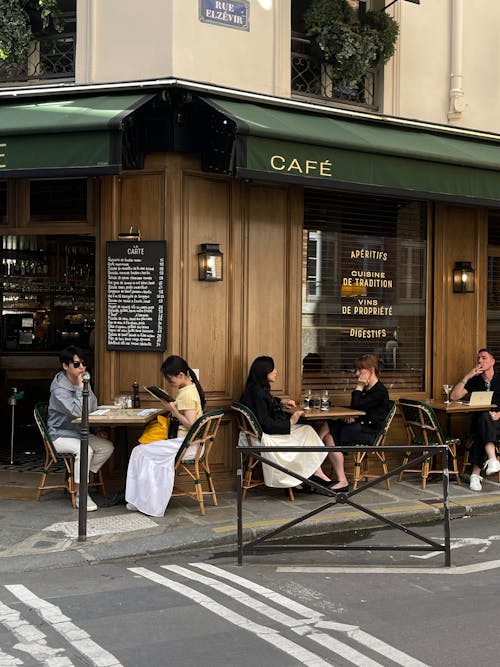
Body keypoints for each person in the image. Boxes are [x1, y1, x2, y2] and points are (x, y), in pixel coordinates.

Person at [125, 355, 204, 516]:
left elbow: (192, 424)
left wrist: (173, 410)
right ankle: (142, 499)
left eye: (170, 380)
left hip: (186, 444)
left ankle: (143, 501)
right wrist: (167, 402)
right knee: (141, 451)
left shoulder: (187, 394)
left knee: (139, 451)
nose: (169, 383)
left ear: (181, 375)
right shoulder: (188, 388)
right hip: (187, 442)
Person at [240, 356, 331, 492]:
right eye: (273, 369)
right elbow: (266, 423)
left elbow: (267, 401)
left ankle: (308, 476)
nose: (276, 371)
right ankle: (308, 476)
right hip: (262, 436)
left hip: (255, 433)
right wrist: (291, 421)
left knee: (307, 431)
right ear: (265, 371)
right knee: (307, 431)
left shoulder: (255, 389)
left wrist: (281, 401)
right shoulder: (258, 393)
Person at [48, 345, 114, 512]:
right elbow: (78, 412)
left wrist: (96, 428)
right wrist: (80, 387)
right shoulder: (59, 390)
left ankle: (79, 478)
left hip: (80, 432)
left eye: (83, 363)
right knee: (85, 450)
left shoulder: (83, 380)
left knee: (107, 447)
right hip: (60, 435)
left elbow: (91, 407)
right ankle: (80, 493)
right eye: (76, 365)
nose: (82, 368)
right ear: (65, 366)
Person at [319, 353, 390, 491]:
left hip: (369, 432)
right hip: (360, 427)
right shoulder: (368, 389)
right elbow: (358, 409)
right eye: (356, 370)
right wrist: (354, 416)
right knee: (329, 436)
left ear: (371, 370)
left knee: (329, 426)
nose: (356, 373)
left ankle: (314, 457)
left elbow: (357, 407)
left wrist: (359, 386)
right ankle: (341, 480)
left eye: (359, 370)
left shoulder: (379, 391)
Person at [450, 348, 500, 491]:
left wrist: (499, 414)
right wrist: (468, 376)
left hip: (498, 422)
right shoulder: (476, 380)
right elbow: (454, 396)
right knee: (483, 419)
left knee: (481, 431)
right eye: (478, 358)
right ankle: (492, 459)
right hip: (481, 422)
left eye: (484, 358)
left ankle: (475, 474)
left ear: (492, 362)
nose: (480, 361)